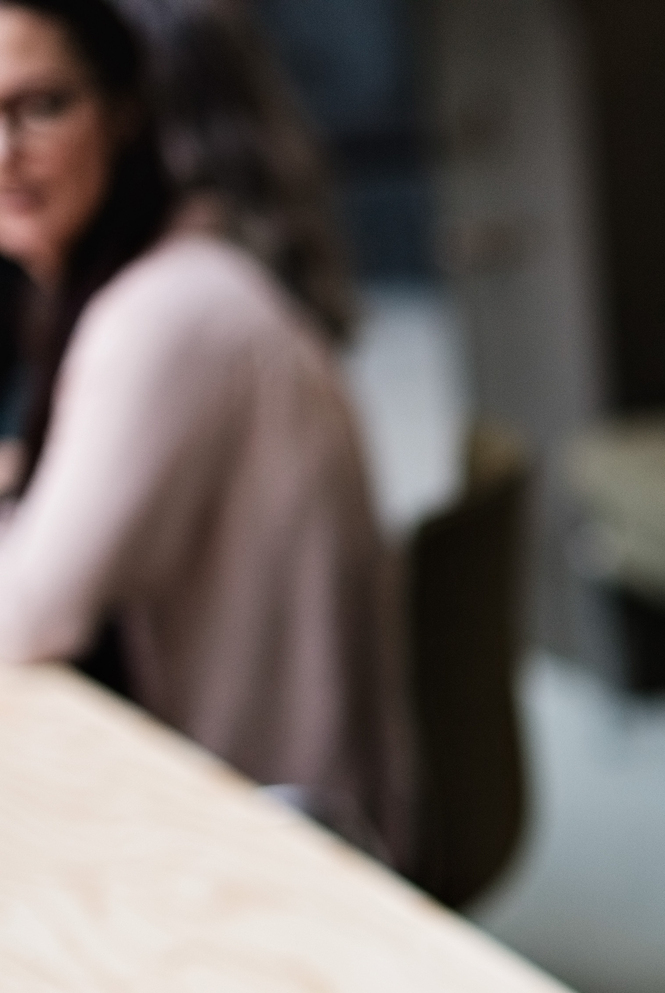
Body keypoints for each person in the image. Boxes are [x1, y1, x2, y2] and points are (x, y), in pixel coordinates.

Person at [0, 0, 410, 863]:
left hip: (270, 846)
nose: (5, 153)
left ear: (122, 115)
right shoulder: (157, 273)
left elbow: (24, 621)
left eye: (40, 107)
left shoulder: (165, 316)